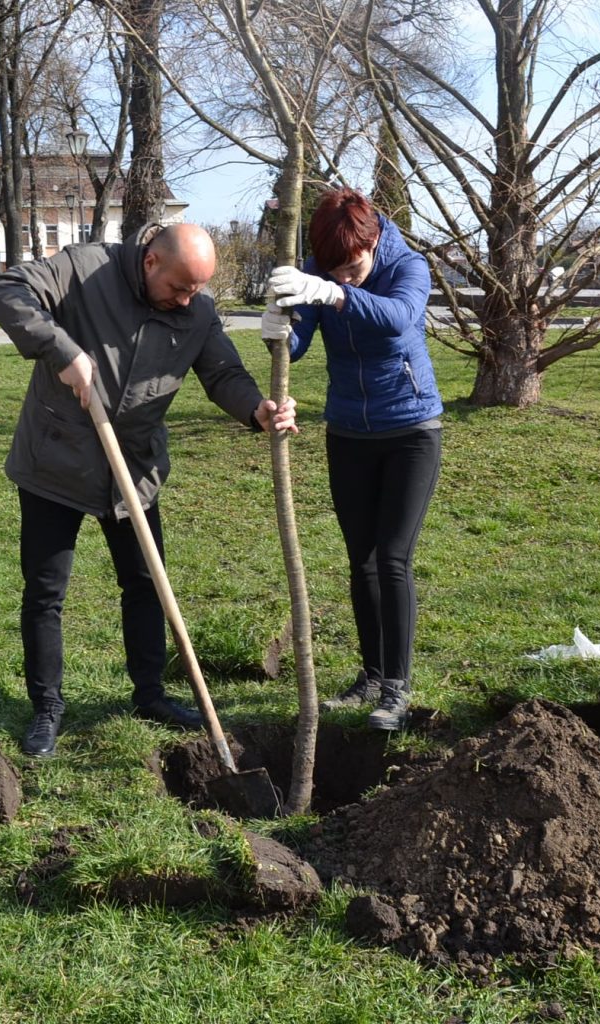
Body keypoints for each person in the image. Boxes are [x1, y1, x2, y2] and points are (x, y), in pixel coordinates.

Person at [0, 222, 297, 757]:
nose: (188, 299)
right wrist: (62, 350)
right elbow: (2, 291)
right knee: (46, 591)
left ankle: (149, 694)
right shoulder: (83, 269)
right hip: (54, 461)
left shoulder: (195, 309)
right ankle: (47, 709)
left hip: (134, 469)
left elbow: (222, 371)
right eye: (179, 286)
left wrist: (255, 409)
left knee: (146, 584)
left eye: (197, 289)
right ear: (151, 261)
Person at [263, 188, 443, 732]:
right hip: (347, 433)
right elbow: (298, 346)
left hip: (411, 430)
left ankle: (397, 688)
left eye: (354, 265)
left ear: (373, 241)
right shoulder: (320, 271)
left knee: (392, 558)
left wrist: (330, 293)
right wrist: (279, 331)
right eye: (334, 269)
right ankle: (369, 675)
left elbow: (397, 319)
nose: (346, 277)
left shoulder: (408, 266)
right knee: (360, 560)